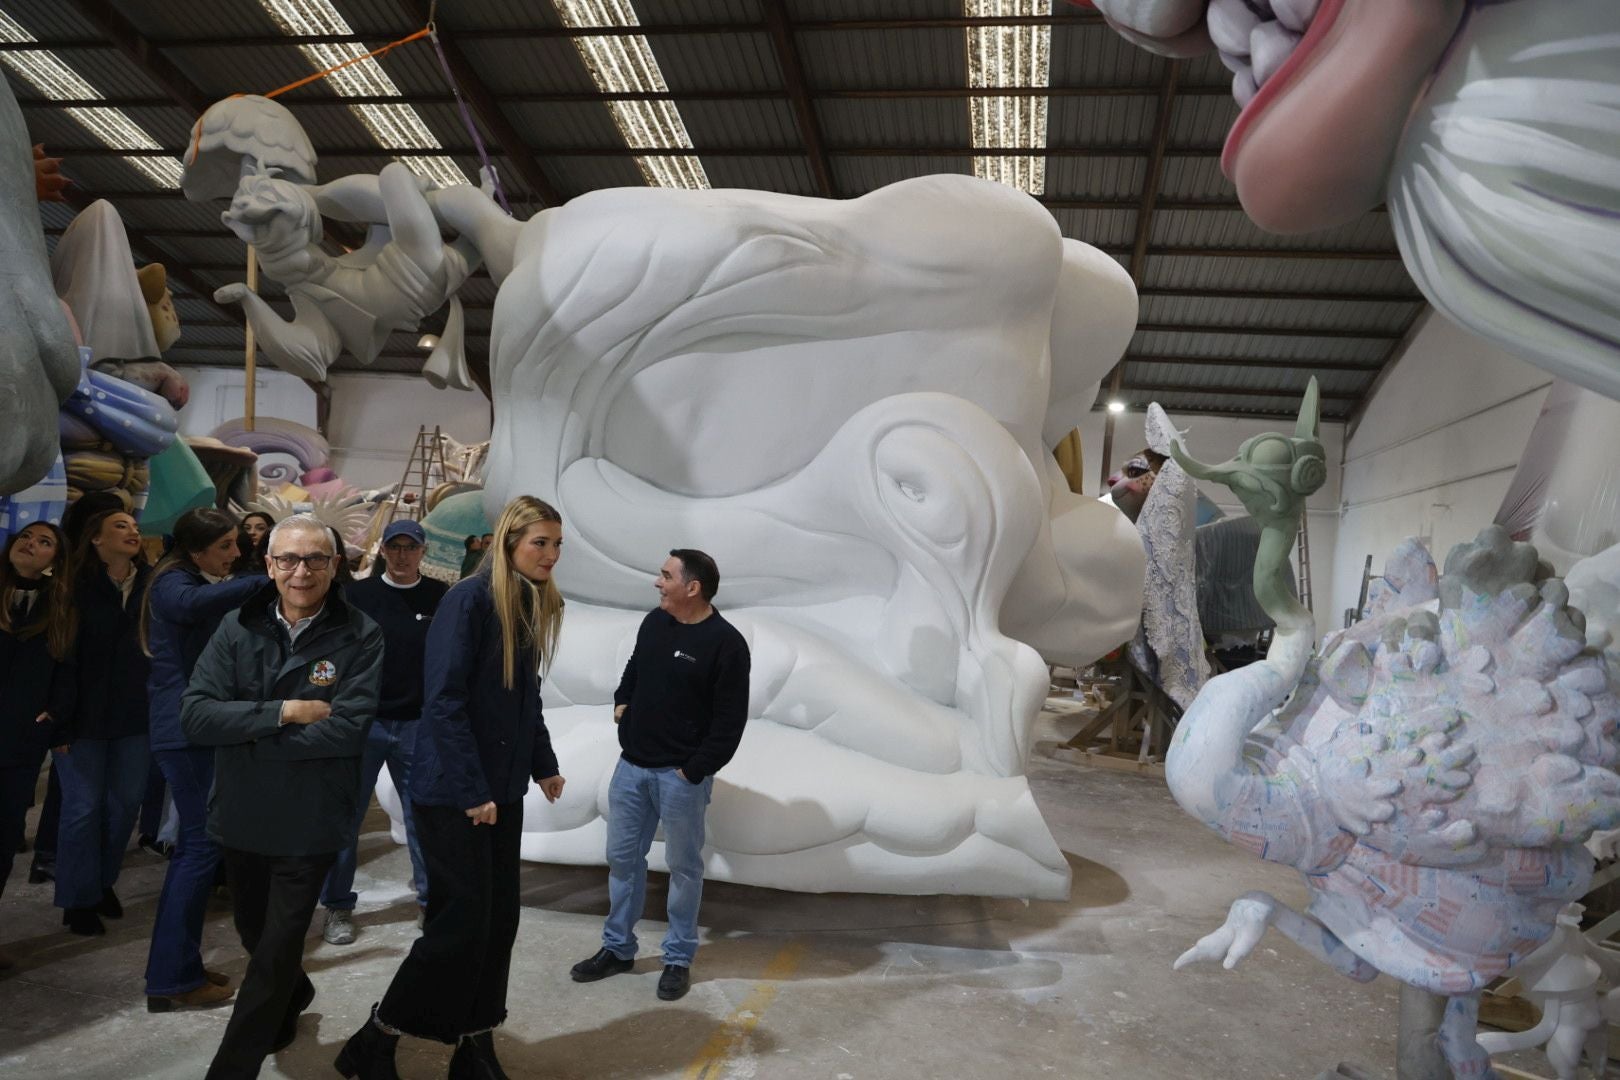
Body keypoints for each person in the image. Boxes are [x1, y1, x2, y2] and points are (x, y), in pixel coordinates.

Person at [337, 496, 566, 1080]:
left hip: (500, 789)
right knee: (459, 925)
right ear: (509, 540)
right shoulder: (468, 600)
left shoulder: (524, 602)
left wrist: (543, 763)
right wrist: (471, 788)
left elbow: (523, 697)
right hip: (457, 793)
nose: (550, 554)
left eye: (557, 544)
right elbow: (444, 701)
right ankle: (375, 1038)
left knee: (499, 922)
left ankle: (474, 1044)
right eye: (540, 542)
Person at [181, 514, 383, 1078]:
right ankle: (293, 996)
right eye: (288, 559)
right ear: (268, 565)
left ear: (335, 565)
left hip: (310, 819)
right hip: (243, 814)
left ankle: (231, 1068)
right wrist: (283, 713)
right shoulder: (236, 626)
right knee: (254, 933)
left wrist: (244, 734)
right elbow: (196, 716)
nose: (302, 571)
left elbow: (348, 729)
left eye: (316, 559)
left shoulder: (361, 633)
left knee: (273, 952)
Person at [569, 549, 749, 1002]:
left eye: (666, 576)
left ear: (693, 587)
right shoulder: (656, 622)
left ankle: (677, 958)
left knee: (685, 868)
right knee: (623, 861)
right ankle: (618, 949)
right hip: (631, 768)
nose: (657, 582)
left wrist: (694, 771)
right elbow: (635, 667)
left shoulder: (726, 644)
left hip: (679, 777)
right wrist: (621, 700)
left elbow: (730, 723)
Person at [141, 508, 265, 1012]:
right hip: (184, 730)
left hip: (197, 727)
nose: (235, 555)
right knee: (197, 850)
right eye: (226, 546)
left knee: (201, 849)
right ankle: (171, 978)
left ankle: (178, 969)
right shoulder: (172, 581)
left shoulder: (188, 576)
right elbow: (194, 605)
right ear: (196, 551)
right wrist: (265, 577)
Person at [318, 519, 447, 945]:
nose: (403, 554)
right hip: (365, 723)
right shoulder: (358, 596)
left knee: (423, 819)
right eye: (396, 547)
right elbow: (335, 653)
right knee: (344, 818)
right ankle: (337, 906)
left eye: (412, 547)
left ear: (423, 551)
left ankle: (430, 903)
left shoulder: (439, 597)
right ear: (384, 551)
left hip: (417, 725)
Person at [53, 508, 152, 937]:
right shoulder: (72, 587)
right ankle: (77, 898)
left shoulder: (152, 584)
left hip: (136, 714)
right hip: (80, 717)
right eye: (119, 526)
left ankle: (100, 882)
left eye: (133, 525)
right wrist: (56, 717)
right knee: (83, 807)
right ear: (95, 539)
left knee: (125, 804)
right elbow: (57, 652)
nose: (132, 531)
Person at [0, 523, 75, 970]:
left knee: (5, 838)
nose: (32, 544)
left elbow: (68, 665)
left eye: (45, 542)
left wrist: (54, 714)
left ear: (55, 560)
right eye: (27, 537)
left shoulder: (59, 608)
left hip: (19, 743)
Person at [233, 512, 275, 576]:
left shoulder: (275, 558)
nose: (252, 532)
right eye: (247, 528)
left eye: (260, 528)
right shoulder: (234, 557)